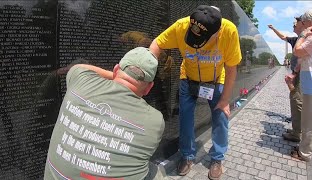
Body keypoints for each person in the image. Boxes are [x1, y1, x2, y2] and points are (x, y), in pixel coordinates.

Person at [149, 5, 241, 179]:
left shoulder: (229, 31)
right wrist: (147, 69)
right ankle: (187, 156)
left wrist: (225, 100)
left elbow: (231, 69)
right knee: (185, 118)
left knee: (221, 117)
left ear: (217, 31)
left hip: (215, 81)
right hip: (188, 79)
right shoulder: (181, 25)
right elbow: (157, 43)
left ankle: (217, 158)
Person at [44, 47, 165, 179]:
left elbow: (78, 67)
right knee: (155, 173)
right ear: (149, 88)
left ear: (115, 69)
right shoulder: (154, 121)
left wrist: (116, 76)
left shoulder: (80, 81)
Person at [268, 16, 304, 142]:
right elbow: (283, 37)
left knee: (297, 100)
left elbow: (302, 57)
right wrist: (273, 29)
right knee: (295, 99)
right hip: (296, 73)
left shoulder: (305, 38)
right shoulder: (296, 39)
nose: (293, 25)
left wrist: (294, 73)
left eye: (296, 23)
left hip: (298, 74)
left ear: (302, 24)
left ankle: (296, 133)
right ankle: (296, 129)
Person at [291, 9, 312, 162]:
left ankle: (305, 153)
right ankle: (304, 148)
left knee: (311, 119)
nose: (301, 25)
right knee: (308, 117)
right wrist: (295, 72)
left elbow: (298, 51)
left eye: (302, 22)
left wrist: (302, 35)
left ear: (309, 23)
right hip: (311, 79)